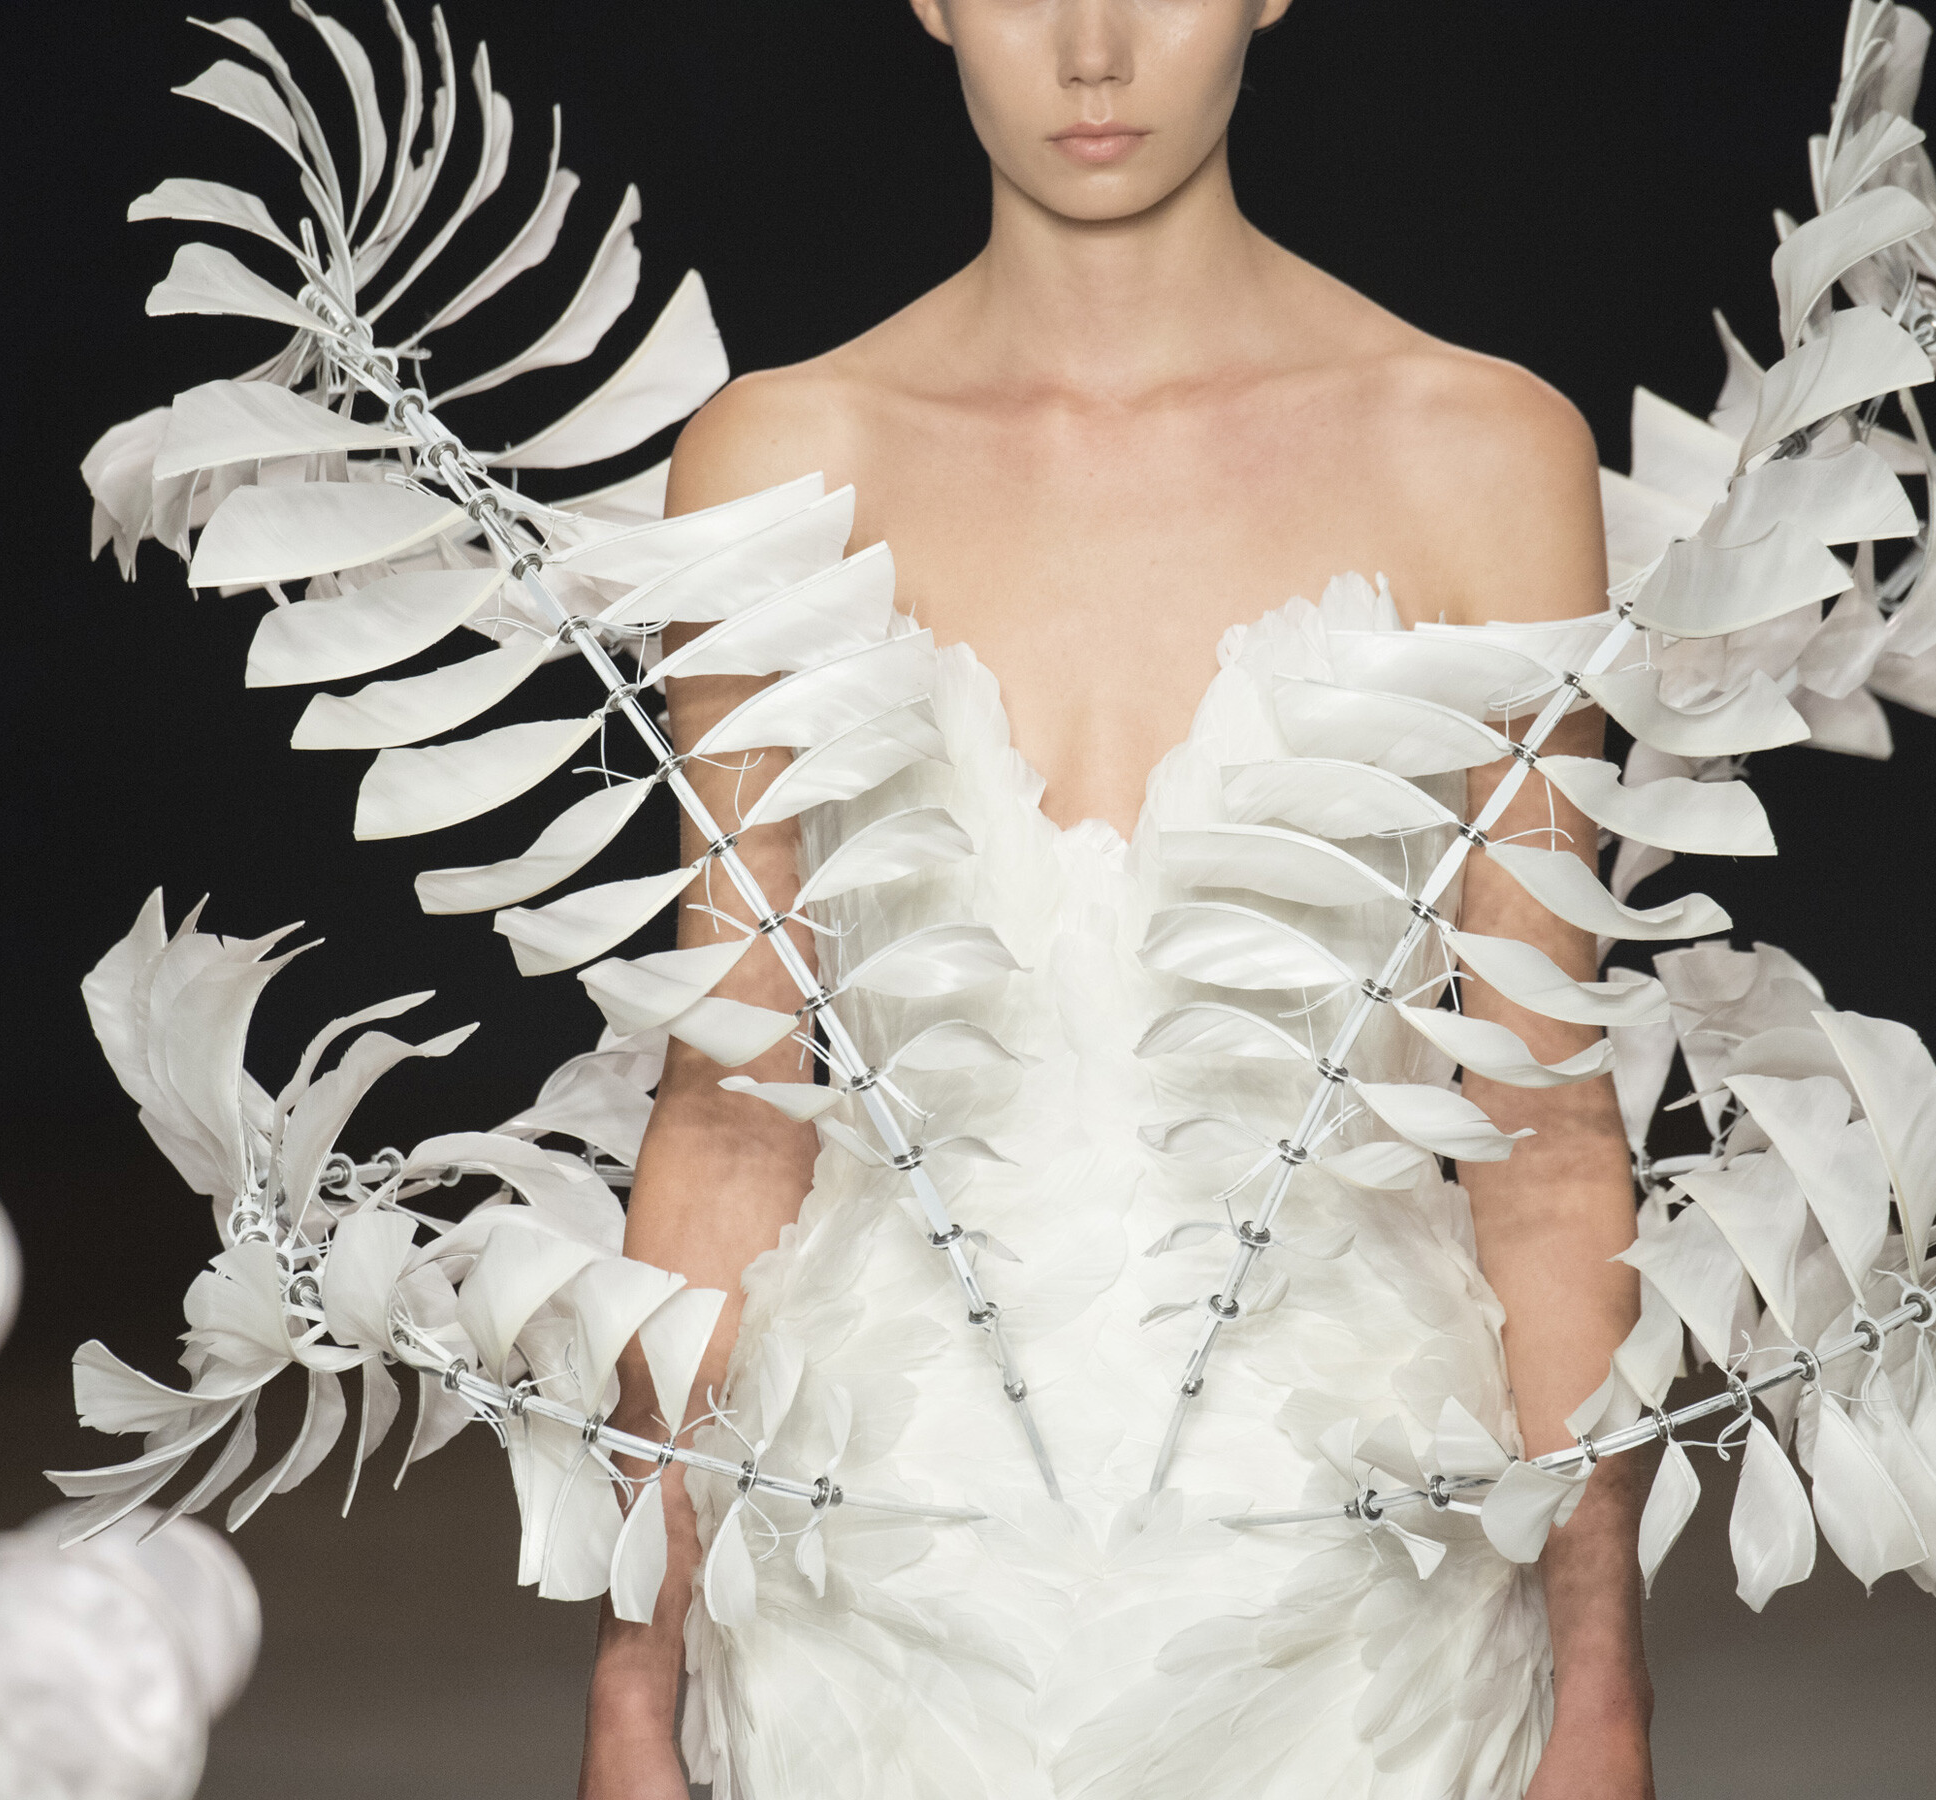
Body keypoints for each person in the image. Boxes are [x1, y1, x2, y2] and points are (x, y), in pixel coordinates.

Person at [583, 2, 1650, 1793]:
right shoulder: (776, 465)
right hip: (872, 1617)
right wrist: (635, 1677)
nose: (1093, 48)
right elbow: (728, 1112)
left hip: (1359, 1625)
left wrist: (1603, 1684)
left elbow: (1541, 1133)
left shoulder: (1480, 455)